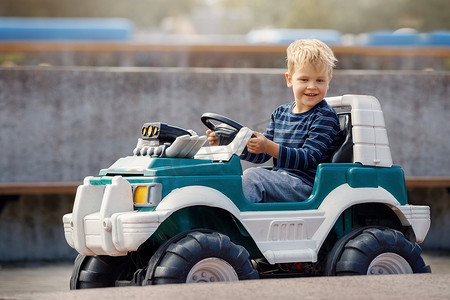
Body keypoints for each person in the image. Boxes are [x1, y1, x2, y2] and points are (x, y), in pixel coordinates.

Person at [207, 39, 341, 203]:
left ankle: (230, 219)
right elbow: (262, 155)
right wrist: (230, 142)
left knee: (254, 177)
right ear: (290, 79)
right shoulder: (280, 113)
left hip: (308, 187)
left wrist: (269, 146)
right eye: (304, 80)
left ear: (329, 80)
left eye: (319, 80)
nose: (312, 86)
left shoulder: (324, 116)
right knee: (230, 176)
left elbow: (308, 157)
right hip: (282, 180)